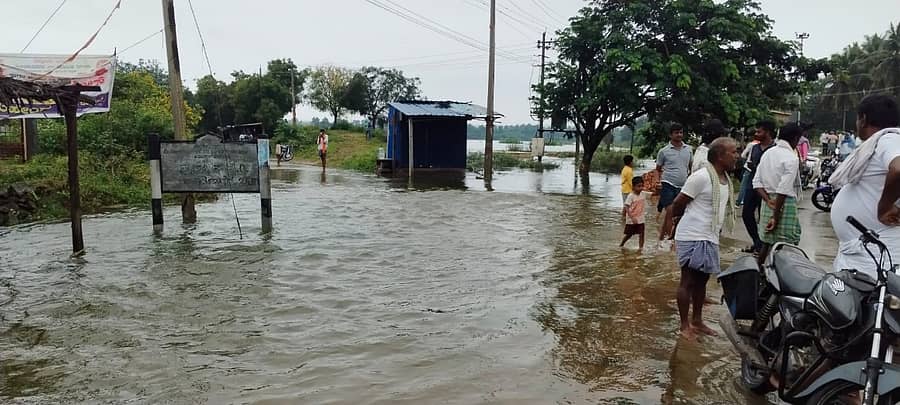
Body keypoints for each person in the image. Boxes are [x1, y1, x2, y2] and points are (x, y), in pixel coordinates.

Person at [672, 137, 739, 338]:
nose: (737, 156)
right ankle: (684, 326)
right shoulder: (701, 177)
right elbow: (678, 204)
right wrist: (680, 226)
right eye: (733, 152)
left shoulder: (725, 180)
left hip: (710, 236)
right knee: (688, 281)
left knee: (702, 281)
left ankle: (697, 321)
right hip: (692, 235)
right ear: (719, 156)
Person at [829, 95, 900, 279]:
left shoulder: (889, 139)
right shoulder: (879, 143)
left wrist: (884, 207)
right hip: (865, 253)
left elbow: (898, 168)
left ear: (863, 119)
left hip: (876, 255)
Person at [753, 122, 803, 264]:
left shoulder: (768, 153)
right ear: (795, 138)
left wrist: (768, 200)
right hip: (783, 203)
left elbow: (756, 182)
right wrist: (776, 216)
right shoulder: (791, 158)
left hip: (768, 201)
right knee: (785, 245)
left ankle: (759, 272)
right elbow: (783, 189)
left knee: (767, 242)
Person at [740, 121, 776, 254]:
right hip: (752, 185)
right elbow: (749, 163)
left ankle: (763, 246)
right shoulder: (754, 148)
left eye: (759, 131)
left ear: (767, 132)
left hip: (767, 187)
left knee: (764, 217)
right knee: (746, 214)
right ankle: (757, 242)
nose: (756, 134)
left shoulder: (775, 149)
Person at [656, 123, 693, 246]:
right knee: (670, 211)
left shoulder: (689, 149)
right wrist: (657, 182)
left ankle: (663, 239)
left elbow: (691, 168)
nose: (679, 135)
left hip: (683, 186)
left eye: (681, 132)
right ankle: (668, 241)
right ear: (670, 135)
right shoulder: (663, 151)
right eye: (676, 132)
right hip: (667, 184)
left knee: (678, 215)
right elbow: (658, 169)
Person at [621, 177, 646, 250]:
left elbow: (653, 195)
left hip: (641, 219)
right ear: (633, 187)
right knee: (629, 234)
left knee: (642, 234)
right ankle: (622, 244)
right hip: (631, 220)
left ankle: (641, 248)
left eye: (642, 186)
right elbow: (626, 207)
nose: (641, 188)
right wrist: (631, 217)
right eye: (638, 186)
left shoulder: (643, 194)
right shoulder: (631, 196)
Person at [621, 155, 635, 220]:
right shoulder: (629, 170)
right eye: (632, 161)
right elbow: (631, 182)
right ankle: (624, 218)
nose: (633, 162)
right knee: (627, 205)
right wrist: (635, 189)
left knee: (625, 205)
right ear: (630, 162)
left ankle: (623, 218)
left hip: (624, 189)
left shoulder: (624, 168)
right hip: (628, 190)